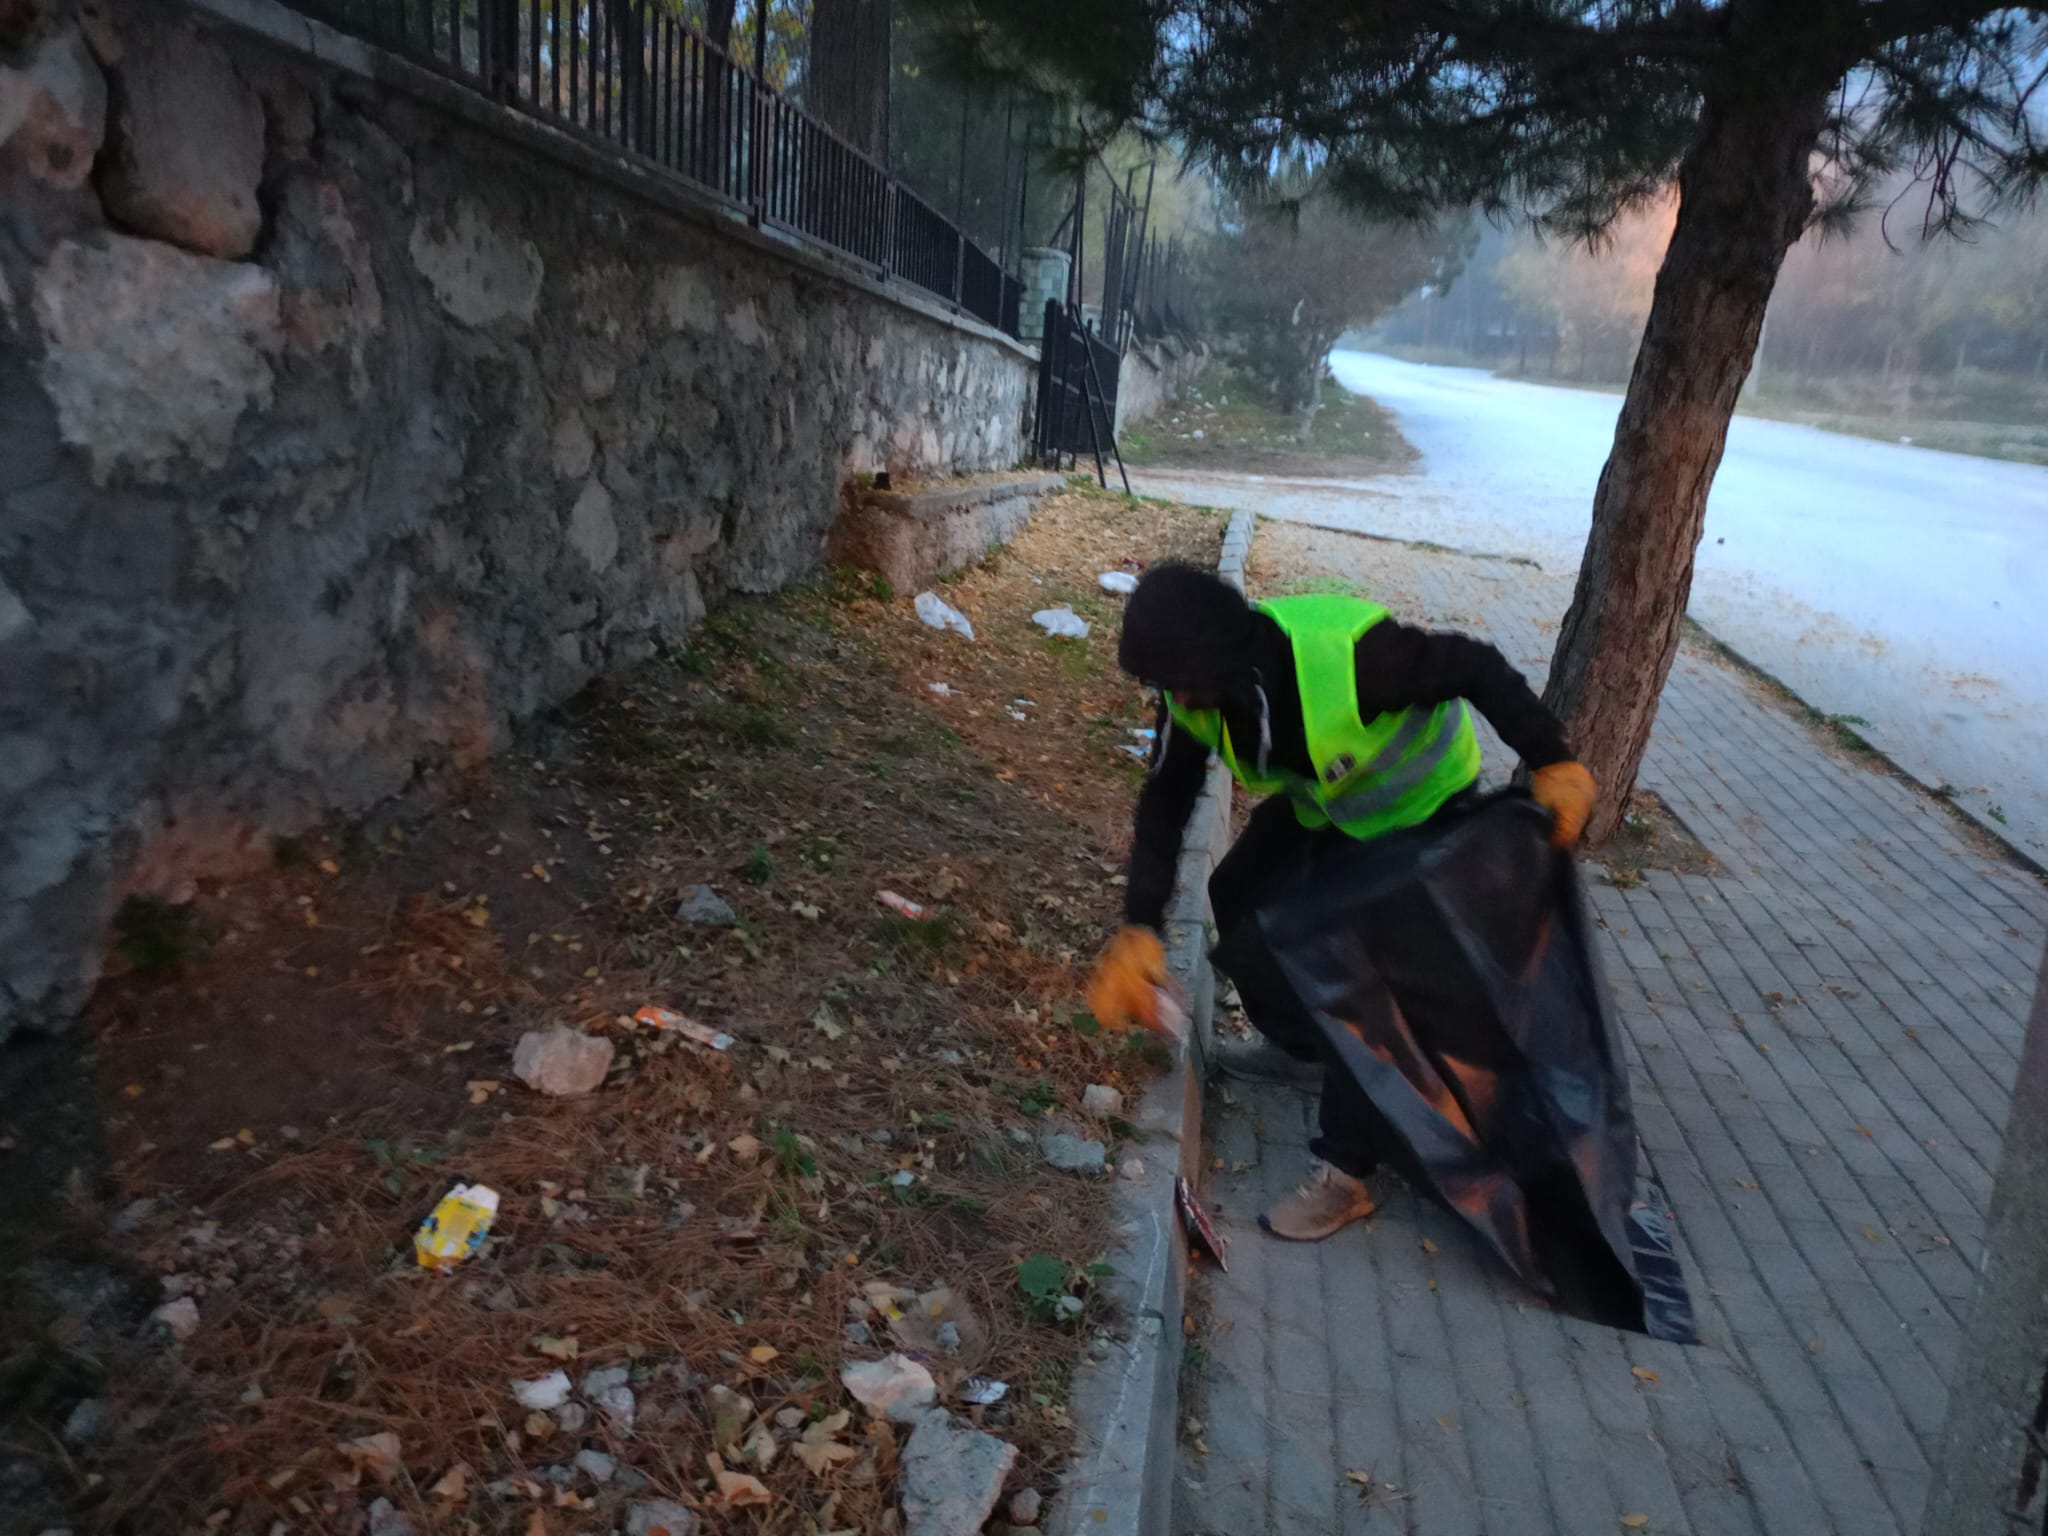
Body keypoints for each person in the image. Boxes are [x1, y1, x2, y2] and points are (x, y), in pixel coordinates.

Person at [1086, 563, 1597, 1241]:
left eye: (1181, 682)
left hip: (1423, 806)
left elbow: (1475, 666)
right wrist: (1140, 927)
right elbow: (1164, 803)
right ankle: (1309, 1048)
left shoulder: (1358, 664)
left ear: (1224, 659)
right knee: (1238, 896)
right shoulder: (1194, 696)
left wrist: (1552, 758)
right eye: (1163, 686)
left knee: (1366, 980)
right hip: (1335, 807)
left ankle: (1345, 1176)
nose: (1174, 697)